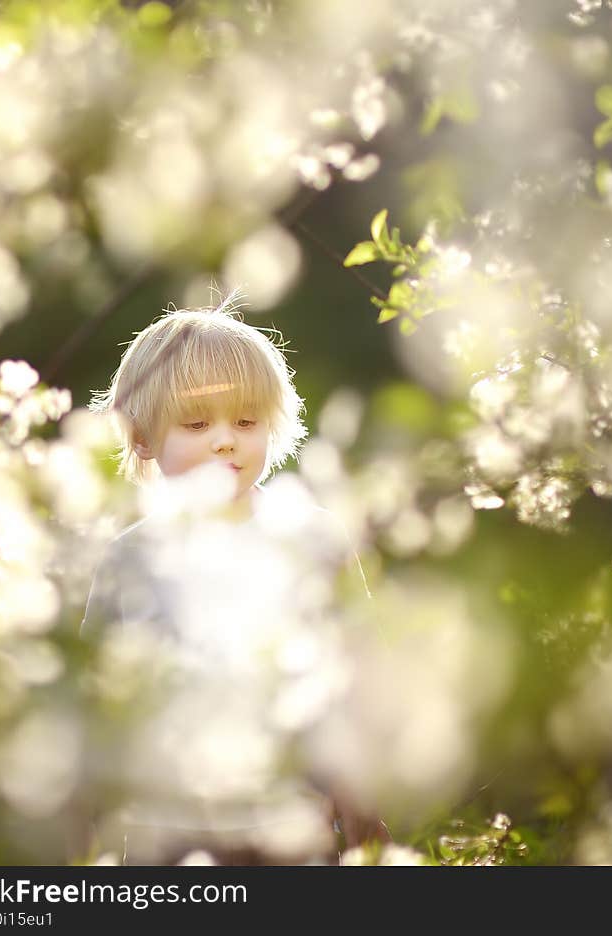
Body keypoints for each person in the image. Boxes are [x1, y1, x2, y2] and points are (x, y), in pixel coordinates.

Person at [77, 294, 388, 865]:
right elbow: (95, 707)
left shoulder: (312, 537)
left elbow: (354, 682)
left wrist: (363, 806)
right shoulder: (130, 557)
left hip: (294, 818)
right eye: (196, 423)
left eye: (246, 421)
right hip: (166, 830)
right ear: (142, 437)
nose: (226, 439)